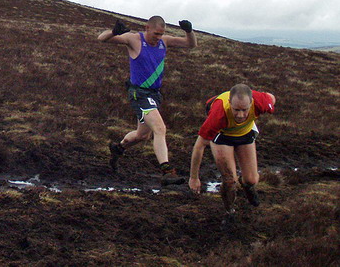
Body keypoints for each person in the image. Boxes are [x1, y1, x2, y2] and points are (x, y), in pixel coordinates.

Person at [98, 16, 197, 185]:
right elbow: (102, 39)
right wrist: (114, 32)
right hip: (139, 93)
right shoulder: (134, 39)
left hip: (154, 94)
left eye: (161, 34)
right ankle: (167, 171)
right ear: (147, 28)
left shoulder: (164, 41)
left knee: (142, 135)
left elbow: (190, 44)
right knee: (159, 128)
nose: (158, 37)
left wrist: (189, 31)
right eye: (156, 33)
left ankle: (118, 148)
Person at [188, 84, 276, 220]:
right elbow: (199, 146)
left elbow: (271, 98)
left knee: (252, 179)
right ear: (229, 103)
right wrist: (194, 178)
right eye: (236, 110)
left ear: (251, 103)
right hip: (223, 135)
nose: (240, 115)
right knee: (229, 181)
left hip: (245, 134)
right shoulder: (218, 114)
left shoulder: (260, 102)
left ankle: (247, 186)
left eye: (244, 110)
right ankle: (230, 212)